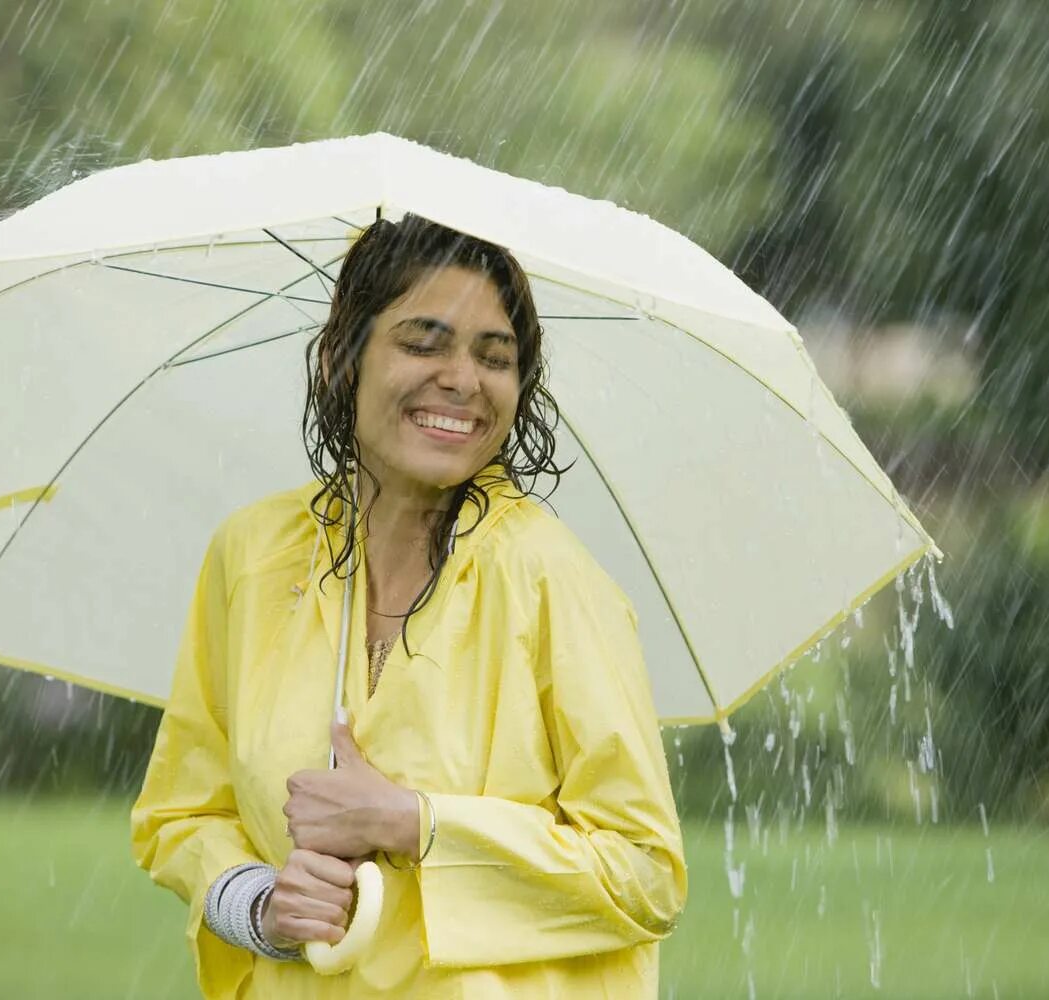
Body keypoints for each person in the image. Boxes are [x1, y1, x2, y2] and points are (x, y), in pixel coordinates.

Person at [130, 213, 688, 997]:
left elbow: (644, 871)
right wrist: (258, 905)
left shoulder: (550, 580)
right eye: (423, 343)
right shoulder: (252, 556)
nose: (462, 379)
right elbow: (182, 812)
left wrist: (411, 823)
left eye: (495, 357)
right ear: (340, 359)